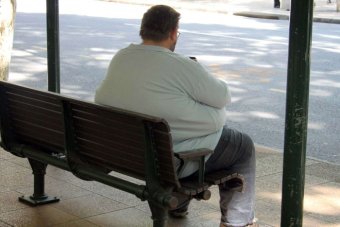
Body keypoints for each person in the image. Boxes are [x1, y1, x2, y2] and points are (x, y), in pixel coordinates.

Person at [95, 5, 256, 227]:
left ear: (143, 30)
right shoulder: (181, 65)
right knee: (242, 145)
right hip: (168, 164)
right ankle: (237, 222)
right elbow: (222, 96)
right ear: (172, 33)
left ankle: (179, 206)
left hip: (125, 155)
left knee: (178, 135)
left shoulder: (121, 57)